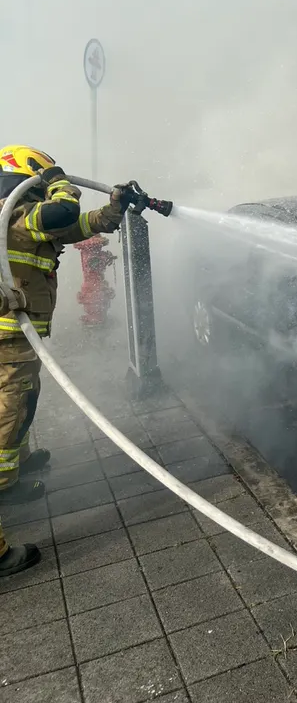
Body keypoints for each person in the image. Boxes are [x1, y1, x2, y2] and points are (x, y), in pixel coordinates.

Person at [0, 145, 132, 578]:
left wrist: (113, 208)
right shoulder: (13, 215)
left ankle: (10, 479)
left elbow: (77, 225)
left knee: (23, 404)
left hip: (18, 340)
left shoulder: (23, 219)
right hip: (6, 339)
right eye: (37, 186)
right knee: (7, 414)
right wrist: (56, 179)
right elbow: (58, 214)